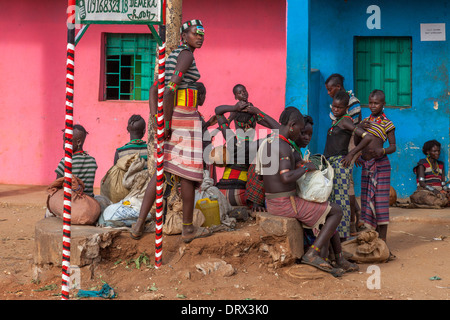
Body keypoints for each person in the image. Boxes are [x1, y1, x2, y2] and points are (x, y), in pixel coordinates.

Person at [130, 19, 211, 243]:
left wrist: (158, 119)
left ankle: (138, 225)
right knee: (187, 175)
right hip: (183, 118)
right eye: (196, 34)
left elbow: (154, 88)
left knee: (161, 172)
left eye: (202, 34)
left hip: (172, 118)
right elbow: (169, 90)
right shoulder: (186, 55)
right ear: (184, 36)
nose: (200, 37)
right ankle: (187, 228)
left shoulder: (171, 56)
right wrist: (166, 123)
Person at [256, 107, 358, 275]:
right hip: (284, 204)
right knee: (336, 211)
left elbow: (265, 177)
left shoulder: (270, 143)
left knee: (327, 208)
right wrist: (306, 168)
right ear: (292, 125)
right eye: (299, 130)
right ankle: (312, 254)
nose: (299, 134)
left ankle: (337, 258)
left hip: (273, 200)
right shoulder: (283, 147)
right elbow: (286, 177)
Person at [215, 84, 279, 210]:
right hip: (243, 197)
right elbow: (278, 129)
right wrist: (258, 112)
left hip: (222, 195)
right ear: (253, 125)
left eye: (244, 91)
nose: (243, 93)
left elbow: (218, 111)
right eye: (240, 92)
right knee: (265, 158)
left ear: (236, 124)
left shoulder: (230, 140)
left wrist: (233, 108)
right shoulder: (257, 145)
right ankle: (256, 202)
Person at [324, 91, 373, 241]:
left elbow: (367, 137)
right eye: (334, 106)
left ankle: (343, 236)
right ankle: (336, 235)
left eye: (339, 107)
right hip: (332, 163)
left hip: (341, 163)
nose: (335, 109)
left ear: (346, 108)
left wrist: (351, 154)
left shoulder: (346, 121)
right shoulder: (338, 121)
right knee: (334, 200)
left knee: (341, 201)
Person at [355, 89, 396, 249]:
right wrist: (358, 154)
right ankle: (374, 237)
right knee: (367, 201)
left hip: (381, 165)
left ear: (383, 104)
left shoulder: (388, 124)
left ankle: (383, 242)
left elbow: (393, 146)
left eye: (376, 103)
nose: (373, 106)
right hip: (366, 165)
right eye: (370, 103)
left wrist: (382, 151)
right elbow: (358, 140)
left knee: (380, 202)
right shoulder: (365, 121)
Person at [325, 73, 362, 235]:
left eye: (330, 89)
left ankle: (352, 222)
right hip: (338, 144)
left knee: (348, 186)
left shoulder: (352, 102)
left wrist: (355, 151)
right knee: (342, 185)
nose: (328, 93)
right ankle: (354, 218)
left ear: (338, 87)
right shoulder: (337, 103)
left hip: (348, 144)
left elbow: (357, 128)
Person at [55, 124, 98, 197]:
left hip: (71, 200)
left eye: (67, 141)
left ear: (79, 142)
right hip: (89, 198)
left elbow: (57, 185)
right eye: (64, 141)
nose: (64, 145)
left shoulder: (65, 161)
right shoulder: (92, 161)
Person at [410, 140, 450, 208]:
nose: (437, 153)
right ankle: (443, 202)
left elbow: (442, 183)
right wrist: (434, 190)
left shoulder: (441, 164)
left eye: (438, 151)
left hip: (439, 191)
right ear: (428, 152)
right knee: (426, 198)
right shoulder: (422, 164)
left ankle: (443, 201)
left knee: (444, 197)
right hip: (426, 191)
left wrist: (446, 189)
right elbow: (422, 183)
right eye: (434, 151)